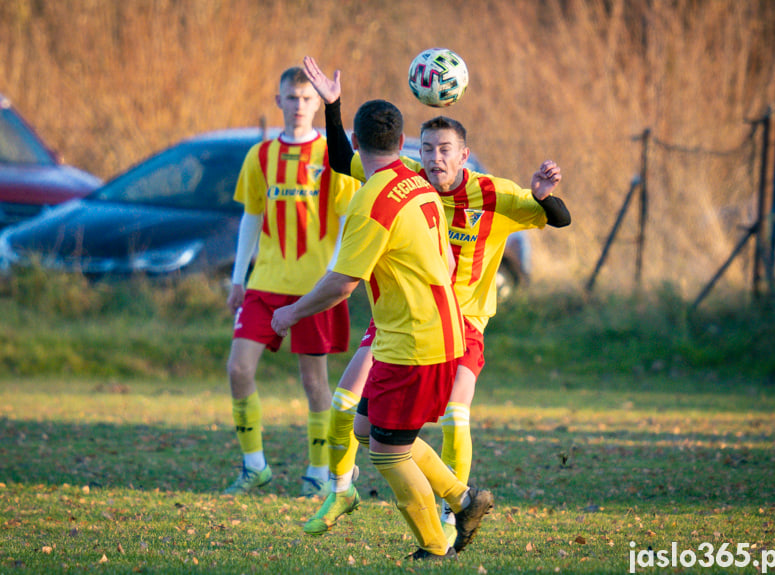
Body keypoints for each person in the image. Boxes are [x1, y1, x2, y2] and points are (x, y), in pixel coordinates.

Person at [299, 56, 570, 545]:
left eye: (445, 149)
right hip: (399, 318)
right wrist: (334, 106)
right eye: (427, 149)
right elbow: (344, 160)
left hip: (461, 321)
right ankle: (359, 490)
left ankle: (448, 523)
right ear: (412, 150)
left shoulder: (494, 194)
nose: (435, 158)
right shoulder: (406, 180)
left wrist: (543, 194)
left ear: (464, 155)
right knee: (359, 422)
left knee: (447, 418)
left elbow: (559, 218)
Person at [271, 99, 494, 561]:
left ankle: (435, 547)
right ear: (401, 143)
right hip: (426, 332)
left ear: (357, 143)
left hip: (416, 342)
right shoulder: (418, 180)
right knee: (367, 428)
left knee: (389, 454)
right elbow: (448, 260)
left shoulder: (370, 203)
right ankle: (465, 499)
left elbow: (341, 283)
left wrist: (290, 314)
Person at [223, 66, 359, 497]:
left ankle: (319, 473)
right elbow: (251, 216)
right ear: (277, 100)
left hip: (312, 288)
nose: (299, 106)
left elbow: (343, 222)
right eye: (291, 98)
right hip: (264, 283)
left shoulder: (332, 156)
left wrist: (333, 276)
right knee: (238, 369)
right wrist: (238, 276)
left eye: (306, 99)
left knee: (314, 382)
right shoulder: (260, 156)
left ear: (317, 103)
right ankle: (254, 466)